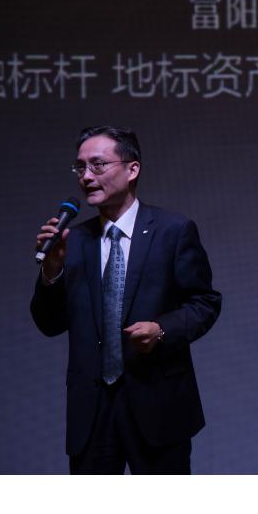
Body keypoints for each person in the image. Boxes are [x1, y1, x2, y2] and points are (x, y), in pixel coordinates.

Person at [31, 126, 221, 474]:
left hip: (158, 403)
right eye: (80, 167)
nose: (87, 176)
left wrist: (161, 330)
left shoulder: (173, 230)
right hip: (92, 411)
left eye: (98, 165)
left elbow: (205, 303)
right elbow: (49, 323)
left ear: (132, 169)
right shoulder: (73, 241)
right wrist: (51, 272)